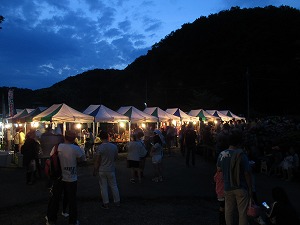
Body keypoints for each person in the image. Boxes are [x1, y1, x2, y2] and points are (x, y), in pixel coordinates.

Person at [46, 130, 85, 225]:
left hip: (58, 177)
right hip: (71, 177)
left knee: (55, 199)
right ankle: (72, 221)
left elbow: (51, 158)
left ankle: (51, 220)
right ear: (74, 138)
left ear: (64, 137)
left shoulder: (57, 147)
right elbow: (81, 159)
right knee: (72, 201)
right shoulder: (76, 148)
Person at [216, 129, 252, 225]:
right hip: (241, 186)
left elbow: (218, 169)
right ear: (239, 143)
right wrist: (250, 188)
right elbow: (247, 173)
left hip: (227, 186)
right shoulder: (241, 155)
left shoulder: (222, 154)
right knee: (242, 213)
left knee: (228, 211)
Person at [93, 130, 120, 209]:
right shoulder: (114, 147)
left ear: (101, 138)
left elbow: (97, 160)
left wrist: (95, 169)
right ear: (108, 137)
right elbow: (116, 157)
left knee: (103, 187)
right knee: (114, 186)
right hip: (111, 169)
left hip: (102, 169)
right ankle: (117, 201)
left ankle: (106, 203)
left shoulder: (100, 148)